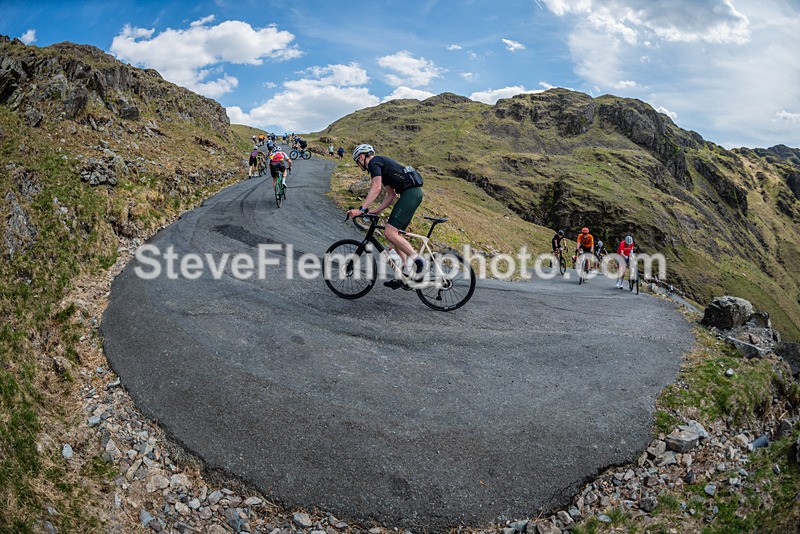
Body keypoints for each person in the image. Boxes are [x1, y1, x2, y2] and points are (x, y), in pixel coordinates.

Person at [346, 144, 425, 288]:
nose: (359, 165)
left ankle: (419, 262)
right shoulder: (382, 165)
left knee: (389, 232)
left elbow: (376, 188)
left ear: (362, 157)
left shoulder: (374, 163)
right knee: (396, 236)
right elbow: (391, 195)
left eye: (357, 162)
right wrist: (375, 211)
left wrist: (361, 210)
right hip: (412, 194)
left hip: (410, 194)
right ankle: (404, 274)